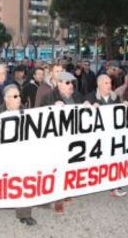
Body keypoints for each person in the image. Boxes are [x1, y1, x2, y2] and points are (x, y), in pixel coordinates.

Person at [0, 84, 38, 225]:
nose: (19, 99)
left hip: (24, 154)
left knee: (25, 181)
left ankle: (24, 214)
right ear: (6, 99)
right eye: (15, 96)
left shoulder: (27, 113)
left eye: (19, 95)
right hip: (4, 155)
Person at [41, 72, 83, 214]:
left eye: (72, 83)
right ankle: (57, 199)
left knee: (70, 167)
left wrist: (88, 106)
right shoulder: (48, 97)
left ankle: (66, 192)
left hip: (73, 137)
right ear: (58, 83)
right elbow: (40, 118)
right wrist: (52, 108)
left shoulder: (76, 96)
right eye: (67, 83)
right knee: (58, 169)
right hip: (57, 140)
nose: (71, 85)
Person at [85, 74, 126, 197]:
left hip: (112, 136)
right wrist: (87, 106)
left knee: (114, 161)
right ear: (99, 84)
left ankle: (115, 186)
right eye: (106, 83)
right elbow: (82, 112)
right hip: (96, 138)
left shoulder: (116, 98)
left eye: (110, 83)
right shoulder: (90, 97)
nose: (109, 85)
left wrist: (126, 106)